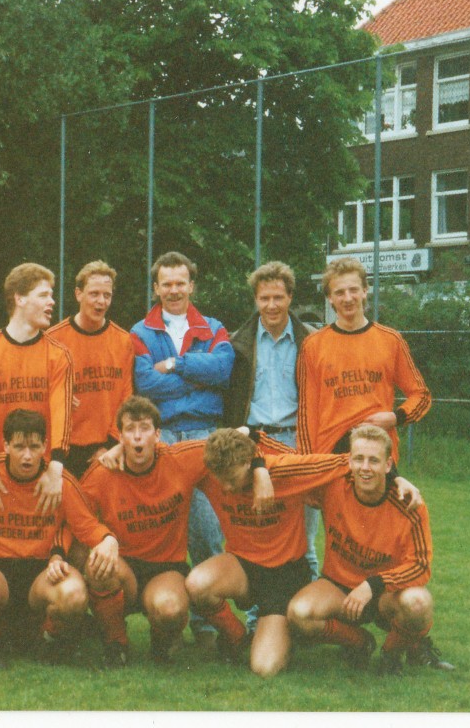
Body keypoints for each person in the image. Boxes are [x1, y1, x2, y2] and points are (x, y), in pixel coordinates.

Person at [191, 428, 410, 677]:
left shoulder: (287, 469)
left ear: (247, 463)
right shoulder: (210, 465)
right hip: (242, 566)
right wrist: (249, 439)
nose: (226, 487)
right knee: (197, 584)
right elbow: (170, 456)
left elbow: (346, 462)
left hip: (284, 575)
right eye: (220, 480)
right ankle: (237, 637)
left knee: (265, 669)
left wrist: (396, 478)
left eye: (232, 479)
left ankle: (358, 640)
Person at [81, 396, 249, 667]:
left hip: (165, 568)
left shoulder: (180, 459)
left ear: (158, 434)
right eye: (130, 430)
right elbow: (77, 514)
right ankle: (116, 644)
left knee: (170, 609)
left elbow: (240, 434)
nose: (138, 437)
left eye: (145, 428)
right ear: (120, 437)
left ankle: (161, 641)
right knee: (97, 565)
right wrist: (102, 538)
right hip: (124, 567)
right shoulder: (103, 472)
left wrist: (261, 471)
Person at [0, 410, 114, 667]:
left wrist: (108, 540)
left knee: (74, 594)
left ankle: (46, 639)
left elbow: (86, 525)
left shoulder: (60, 481)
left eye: (34, 446)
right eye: (19, 447)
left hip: (41, 574)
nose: (27, 455)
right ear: (6, 445)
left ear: (45, 446)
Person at [129, 251, 233, 648]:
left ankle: (209, 625)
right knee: (165, 530)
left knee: (207, 531)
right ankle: (167, 623)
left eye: (180, 282)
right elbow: (145, 384)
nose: (174, 290)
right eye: (166, 284)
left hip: (205, 436)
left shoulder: (213, 327)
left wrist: (174, 365)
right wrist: (198, 377)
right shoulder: (140, 331)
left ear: (191, 285)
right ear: (156, 288)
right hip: (163, 437)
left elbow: (222, 371)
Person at [287, 425, 453, 675]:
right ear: (348, 461)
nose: (365, 467)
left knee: (418, 603)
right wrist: (255, 452)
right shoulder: (332, 485)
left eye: (374, 460)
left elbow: (420, 566)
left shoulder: (409, 504)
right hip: (338, 586)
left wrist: (372, 585)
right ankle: (359, 643)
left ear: (388, 465)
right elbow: (291, 468)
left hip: (385, 593)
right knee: (299, 614)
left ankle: (392, 653)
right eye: (359, 459)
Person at [222, 261, 321, 631]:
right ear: (255, 299)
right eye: (264, 298)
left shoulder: (313, 341)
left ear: (290, 297)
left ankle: (307, 620)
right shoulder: (237, 343)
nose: (272, 305)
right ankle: (257, 618)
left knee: (304, 537)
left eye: (278, 297)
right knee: (259, 535)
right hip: (255, 442)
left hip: (297, 441)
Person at [0, 263, 72, 556]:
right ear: (19, 298)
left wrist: (56, 468)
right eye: (44, 295)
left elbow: (62, 416)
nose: (52, 302)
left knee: (48, 553)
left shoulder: (59, 355)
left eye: (51, 295)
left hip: (39, 474)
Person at [296, 257, 431, 461]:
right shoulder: (313, 345)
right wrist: (308, 465)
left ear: (365, 291)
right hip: (330, 454)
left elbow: (421, 395)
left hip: (378, 452)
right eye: (339, 292)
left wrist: (396, 417)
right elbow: (306, 414)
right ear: (330, 298)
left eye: (353, 290)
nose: (347, 298)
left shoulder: (390, 340)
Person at [48, 260, 134, 479]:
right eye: (94, 294)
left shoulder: (123, 340)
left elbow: (126, 397)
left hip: (106, 450)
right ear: (78, 294)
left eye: (107, 295)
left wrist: (111, 445)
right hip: (63, 450)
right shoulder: (53, 339)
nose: (101, 301)